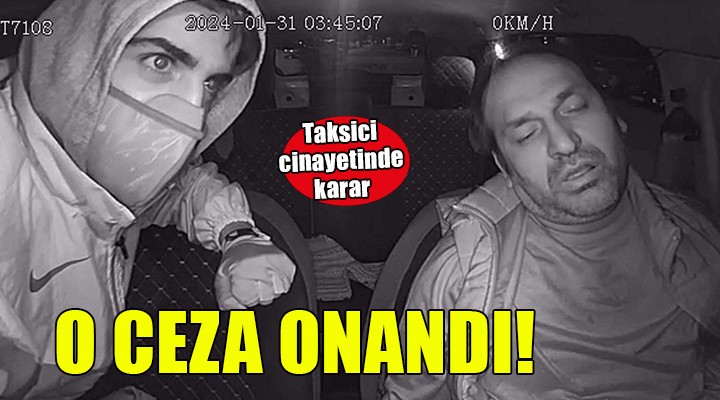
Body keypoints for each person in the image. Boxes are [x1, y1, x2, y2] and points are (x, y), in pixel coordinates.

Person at [382, 44, 720, 399]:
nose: (564, 143)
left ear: (615, 116)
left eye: (574, 108)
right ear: (504, 167)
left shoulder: (699, 232)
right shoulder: (462, 269)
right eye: (526, 134)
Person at [0, 0, 297, 398]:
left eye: (210, 84)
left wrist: (237, 233)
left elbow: (177, 187)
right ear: (80, 46)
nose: (192, 116)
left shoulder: (81, 158)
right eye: (160, 62)